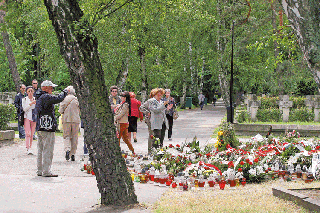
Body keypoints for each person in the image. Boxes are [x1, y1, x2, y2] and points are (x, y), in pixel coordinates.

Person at [35, 80, 69, 177]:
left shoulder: (39, 96)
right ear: (45, 87)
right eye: (51, 87)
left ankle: (40, 170)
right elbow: (59, 98)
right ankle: (46, 171)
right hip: (47, 127)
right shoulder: (46, 96)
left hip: (40, 126)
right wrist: (65, 91)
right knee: (48, 149)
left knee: (40, 149)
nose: (52, 89)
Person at [59, 86, 80, 161]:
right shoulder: (77, 99)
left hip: (66, 120)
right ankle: (73, 153)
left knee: (67, 136)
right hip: (75, 120)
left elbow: (60, 110)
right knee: (75, 137)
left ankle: (67, 149)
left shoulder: (64, 99)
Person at [22, 86, 37, 155]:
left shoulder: (35, 99)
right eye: (29, 91)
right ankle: (28, 148)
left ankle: (30, 147)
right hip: (27, 117)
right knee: (28, 133)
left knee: (32, 134)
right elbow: (24, 109)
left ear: (33, 91)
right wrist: (30, 104)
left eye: (31, 91)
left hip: (34, 117)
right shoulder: (24, 99)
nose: (30, 92)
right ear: (27, 92)